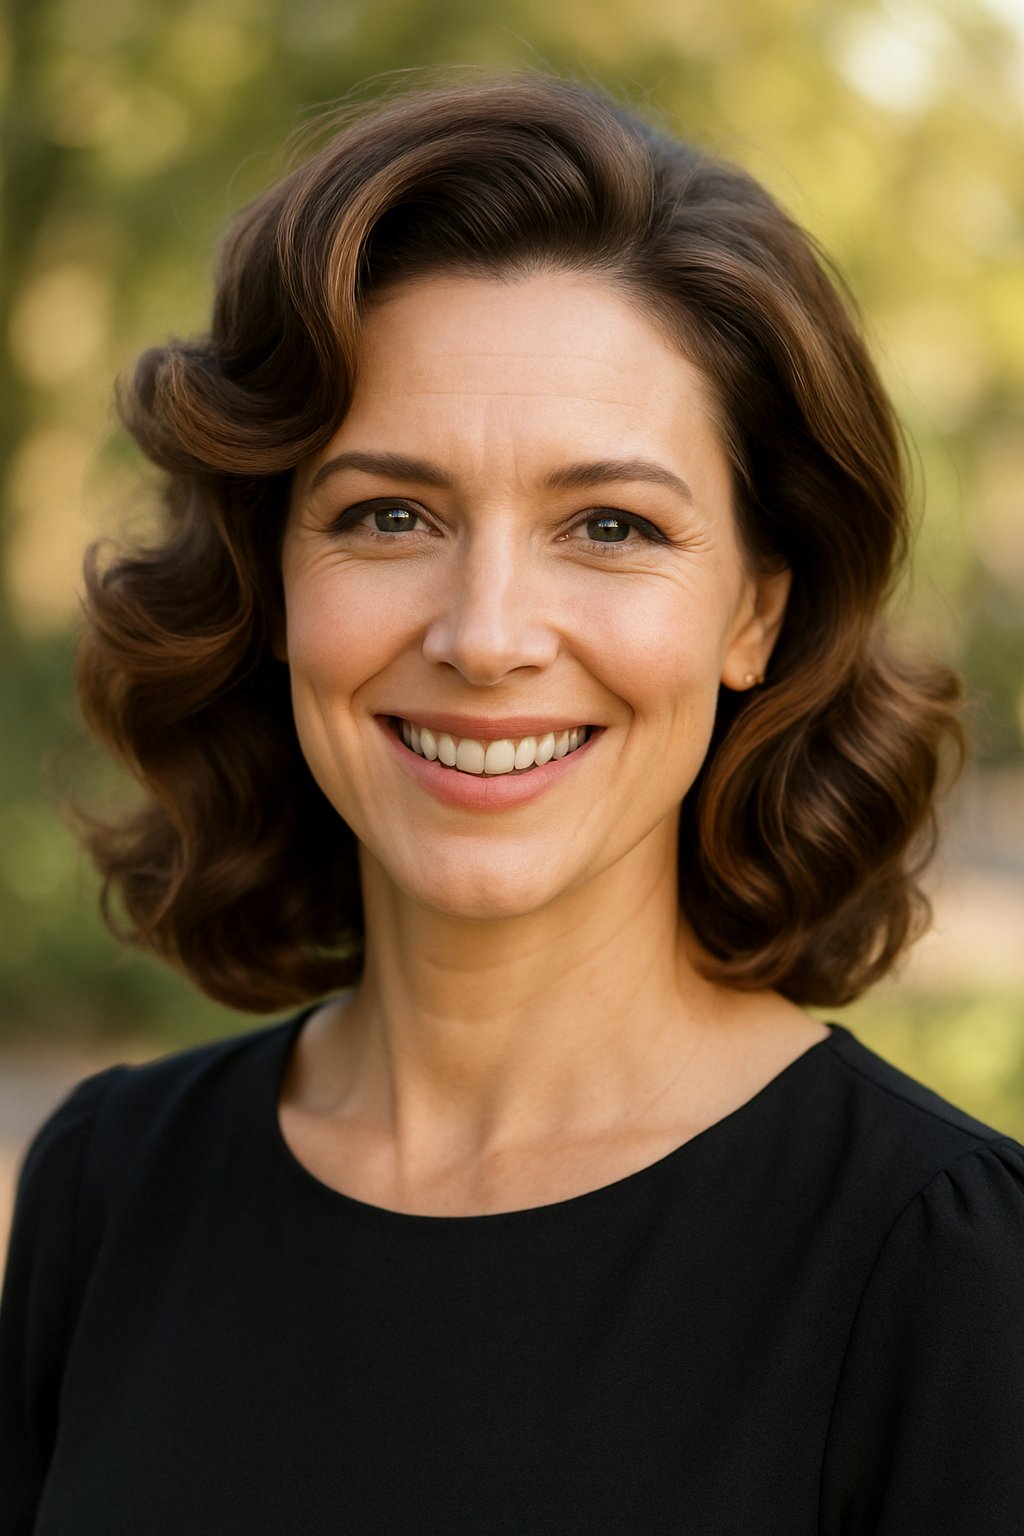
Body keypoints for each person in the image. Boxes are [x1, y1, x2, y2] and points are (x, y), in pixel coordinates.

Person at [1, 72, 1022, 1534]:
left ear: (755, 613)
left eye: (608, 526)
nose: (485, 635)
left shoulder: (944, 1268)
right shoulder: (111, 1192)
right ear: (274, 585)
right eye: (387, 515)